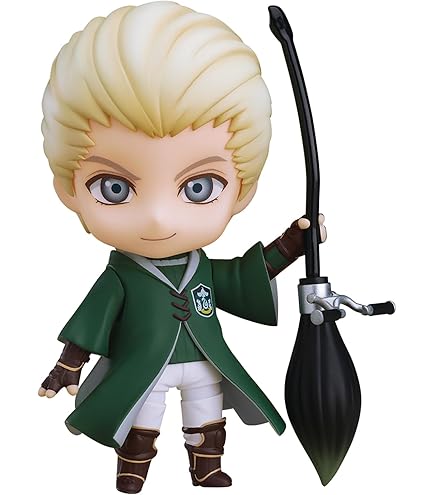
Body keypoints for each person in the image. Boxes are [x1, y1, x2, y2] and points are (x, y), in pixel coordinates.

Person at [38, 2, 326, 493]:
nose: (158, 217)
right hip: (143, 365)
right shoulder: (123, 275)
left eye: (198, 187)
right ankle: (133, 466)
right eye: (114, 188)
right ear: (70, 189)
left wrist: (290, 245)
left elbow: (244, 277)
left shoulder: (202, 267)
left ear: (241, 191)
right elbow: (93, 318)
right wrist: (69, 362)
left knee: (207, 411)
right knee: (141, 415)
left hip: (203, 360)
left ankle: (206, 465)